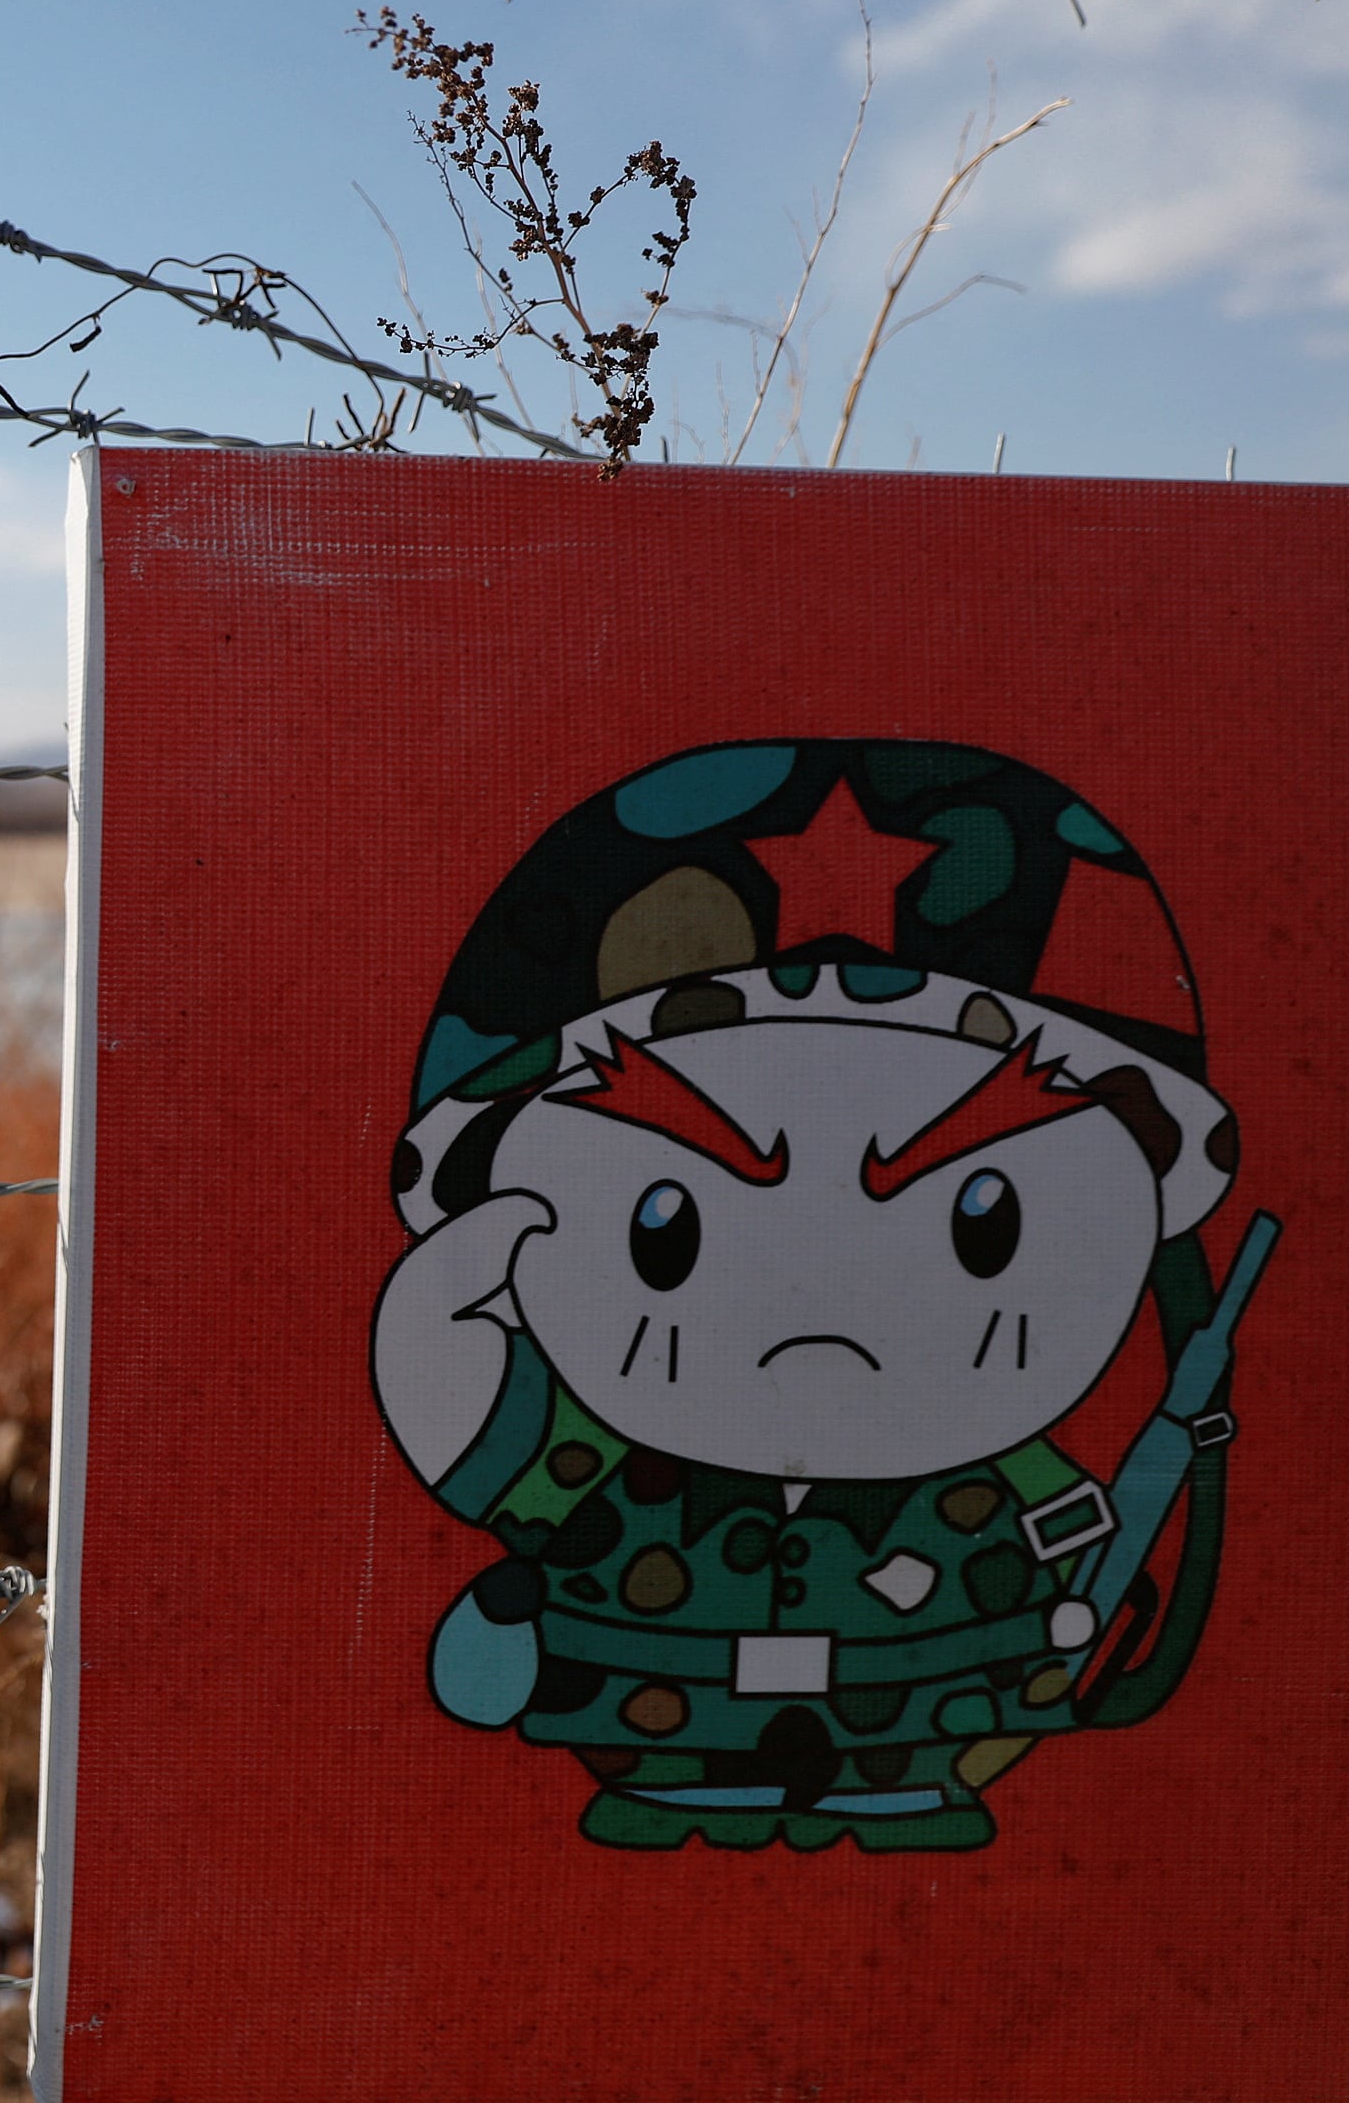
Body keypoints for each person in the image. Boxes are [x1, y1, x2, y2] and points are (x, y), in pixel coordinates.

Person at [372, 739, 1268, 1851]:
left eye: (978, 1223)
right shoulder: (619, 1482)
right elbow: (479, 1441)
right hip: (661, 1738)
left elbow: (1096, 1568)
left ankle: (891, 1795)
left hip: (924, 1741)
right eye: (670, 1227)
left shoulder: (1016, 1491)